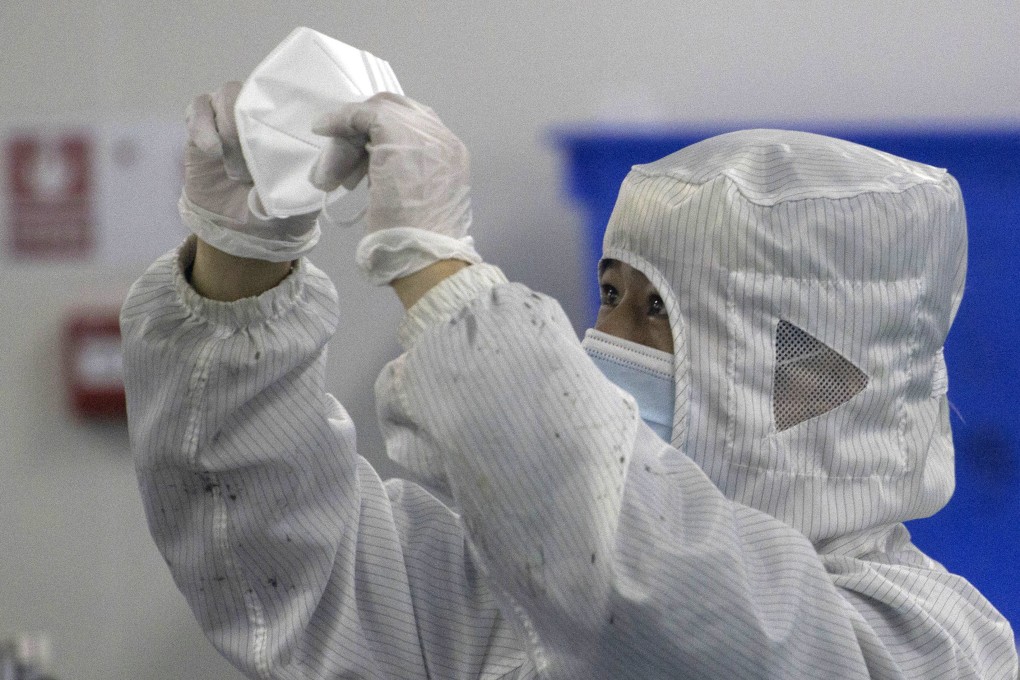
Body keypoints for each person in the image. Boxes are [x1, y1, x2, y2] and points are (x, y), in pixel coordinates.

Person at [121, 82, 1018, 679]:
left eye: (656, 311)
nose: (603, 339)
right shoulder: (518, 600)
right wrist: (240, 271)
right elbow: (285, 569)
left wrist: (440, 278)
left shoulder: (920, 642)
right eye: (609, 294)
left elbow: (671, 596)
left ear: (805, 372)